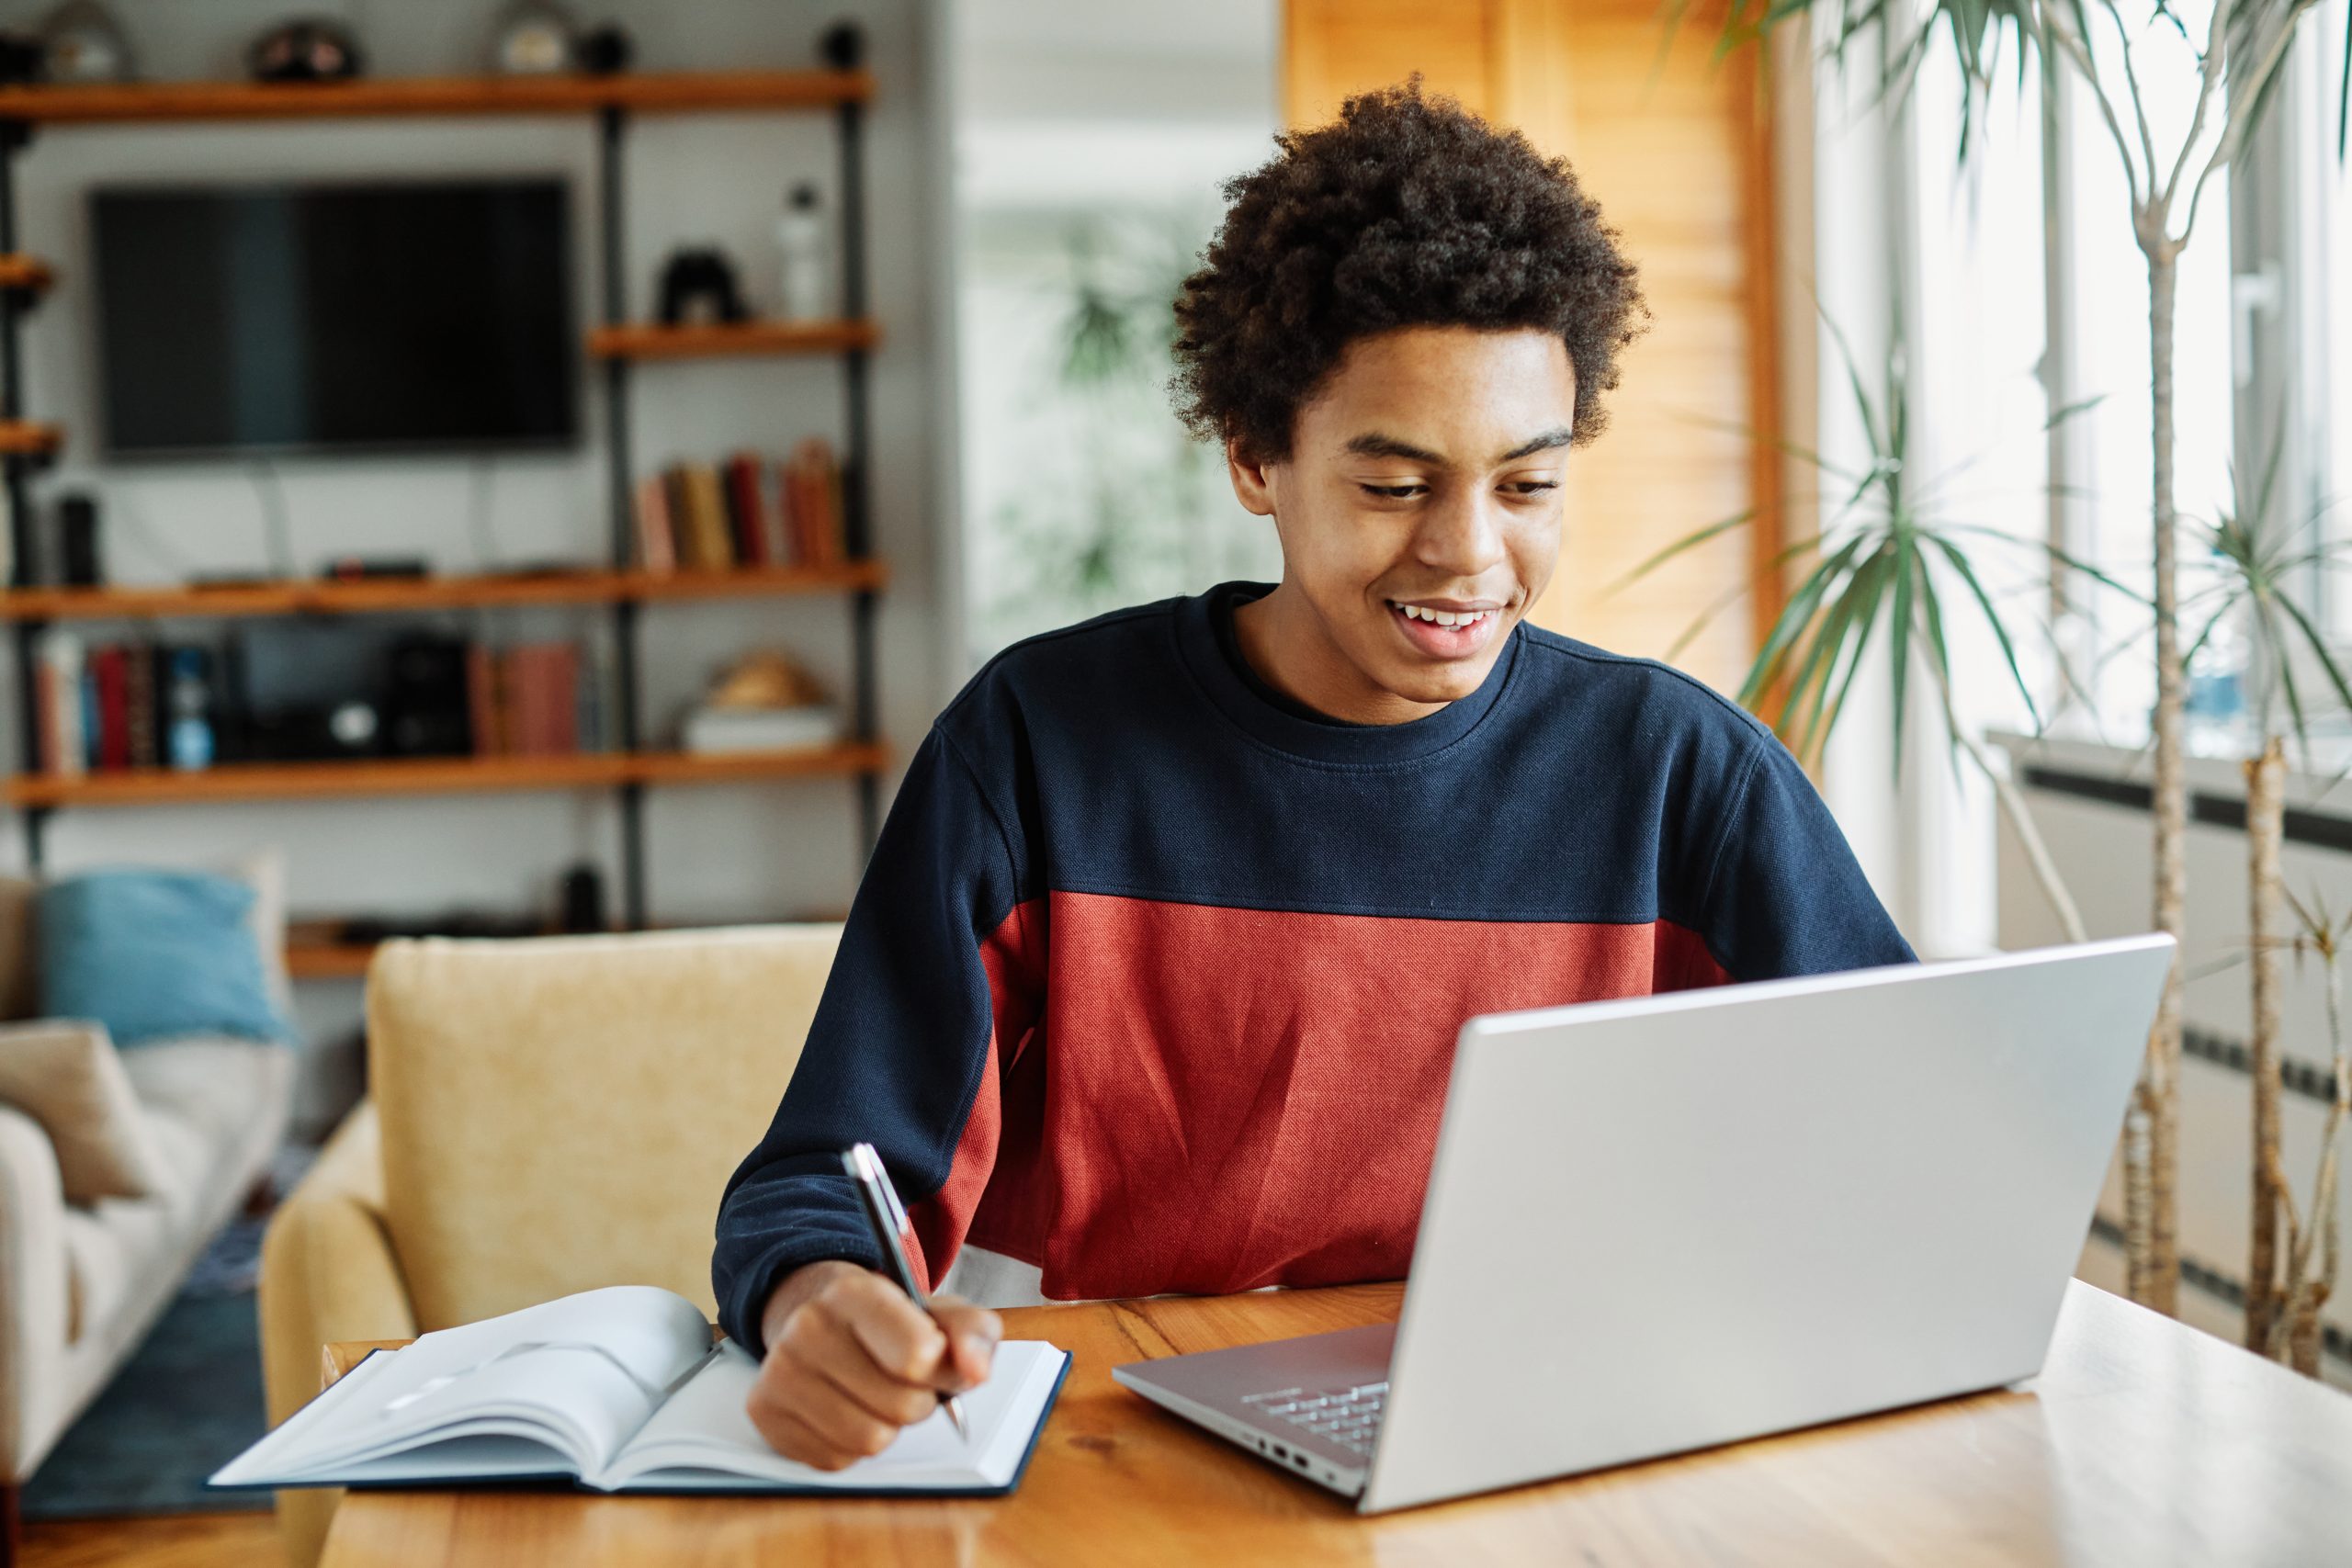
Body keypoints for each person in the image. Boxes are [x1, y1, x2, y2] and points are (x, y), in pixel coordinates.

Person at [713, 76, 1914, 1470]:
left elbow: (1901, 1143)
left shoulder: (1681, 775)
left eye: (1527, 485)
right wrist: (824, 1304)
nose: (1468, 553)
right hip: (1106, 1443)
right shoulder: (1040, 743)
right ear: (1254, 459)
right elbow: (823, 1180)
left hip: (1529, 1439)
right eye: (1395, 485)